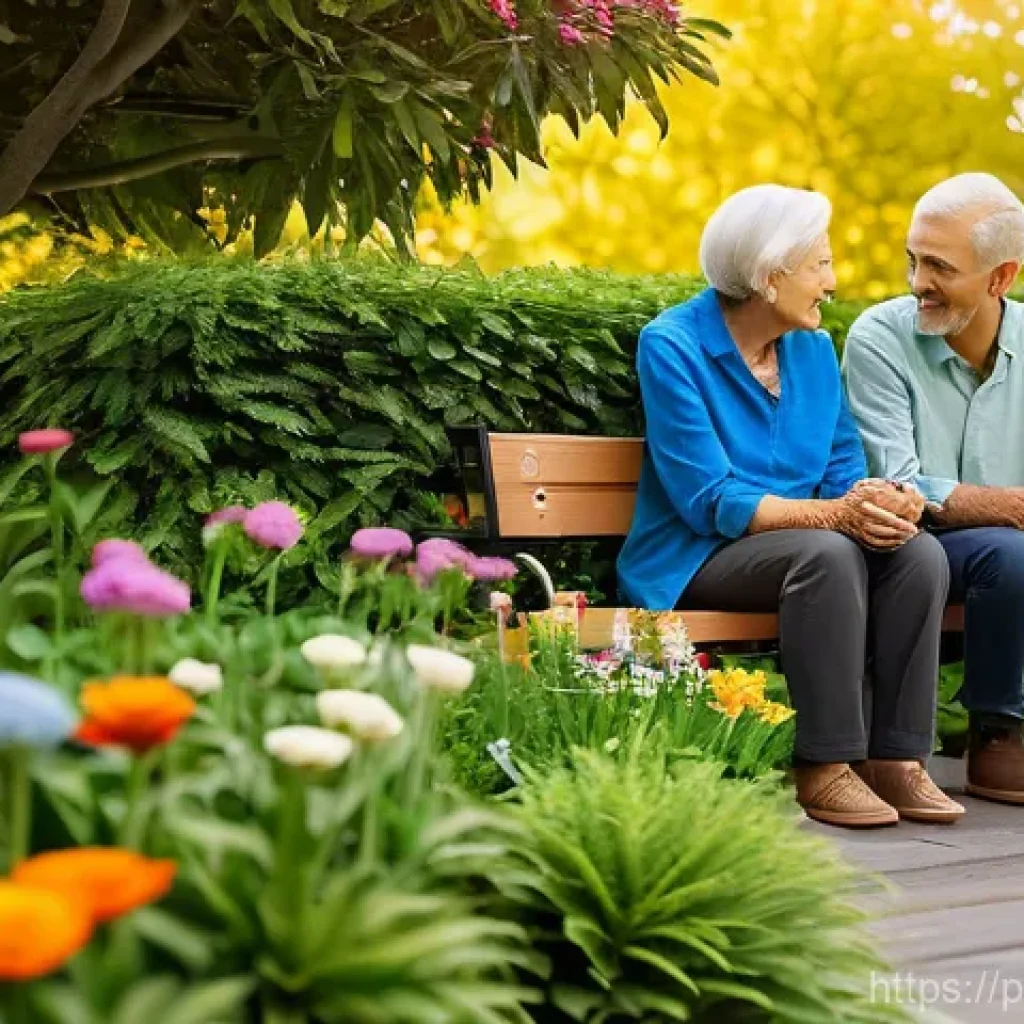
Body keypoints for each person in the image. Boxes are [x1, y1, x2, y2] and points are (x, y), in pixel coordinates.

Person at [617, 184, 962, 828]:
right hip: (699, 555)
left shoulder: (811, 348)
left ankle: (897, 759)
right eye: (820, 265)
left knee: (918, 554)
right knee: (828, 553)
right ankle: (824, 765)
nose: (832, 282)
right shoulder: (672, 345)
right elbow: (708, 501)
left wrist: (882, 502)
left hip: (798, 549)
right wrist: (836, 517)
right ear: (771, 277)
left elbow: (841, 468)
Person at [844, 172, 1024, 806]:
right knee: (1011, 554)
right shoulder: (880, 337)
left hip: (995, 546)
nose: (918, 282)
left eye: (940, 267)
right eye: (913, 260)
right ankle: (1000, 734)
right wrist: (1006, 505)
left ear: (1000, 277)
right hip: (904, 543)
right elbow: (895, 479)